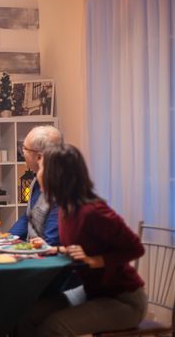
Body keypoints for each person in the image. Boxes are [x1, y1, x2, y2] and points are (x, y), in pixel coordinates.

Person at [20, 144, 147, 336]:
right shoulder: (65, 208)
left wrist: (97, 261)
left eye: (43, 167)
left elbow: (136, 248)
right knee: (24, 316)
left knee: (54, 327)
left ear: (57, 175)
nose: (38, 173)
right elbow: (84, 248)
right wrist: (56, 250)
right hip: (91, 292)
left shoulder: (93, 212)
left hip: (123, 300)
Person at [9, 125, 62, 245]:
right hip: (33, 249)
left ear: (39, 157)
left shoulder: (60, 189)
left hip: (45, 256)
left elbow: (51, 241)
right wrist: (7, 239)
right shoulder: (37, 178)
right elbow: (29, 216)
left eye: (25, 149)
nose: (22, 153)